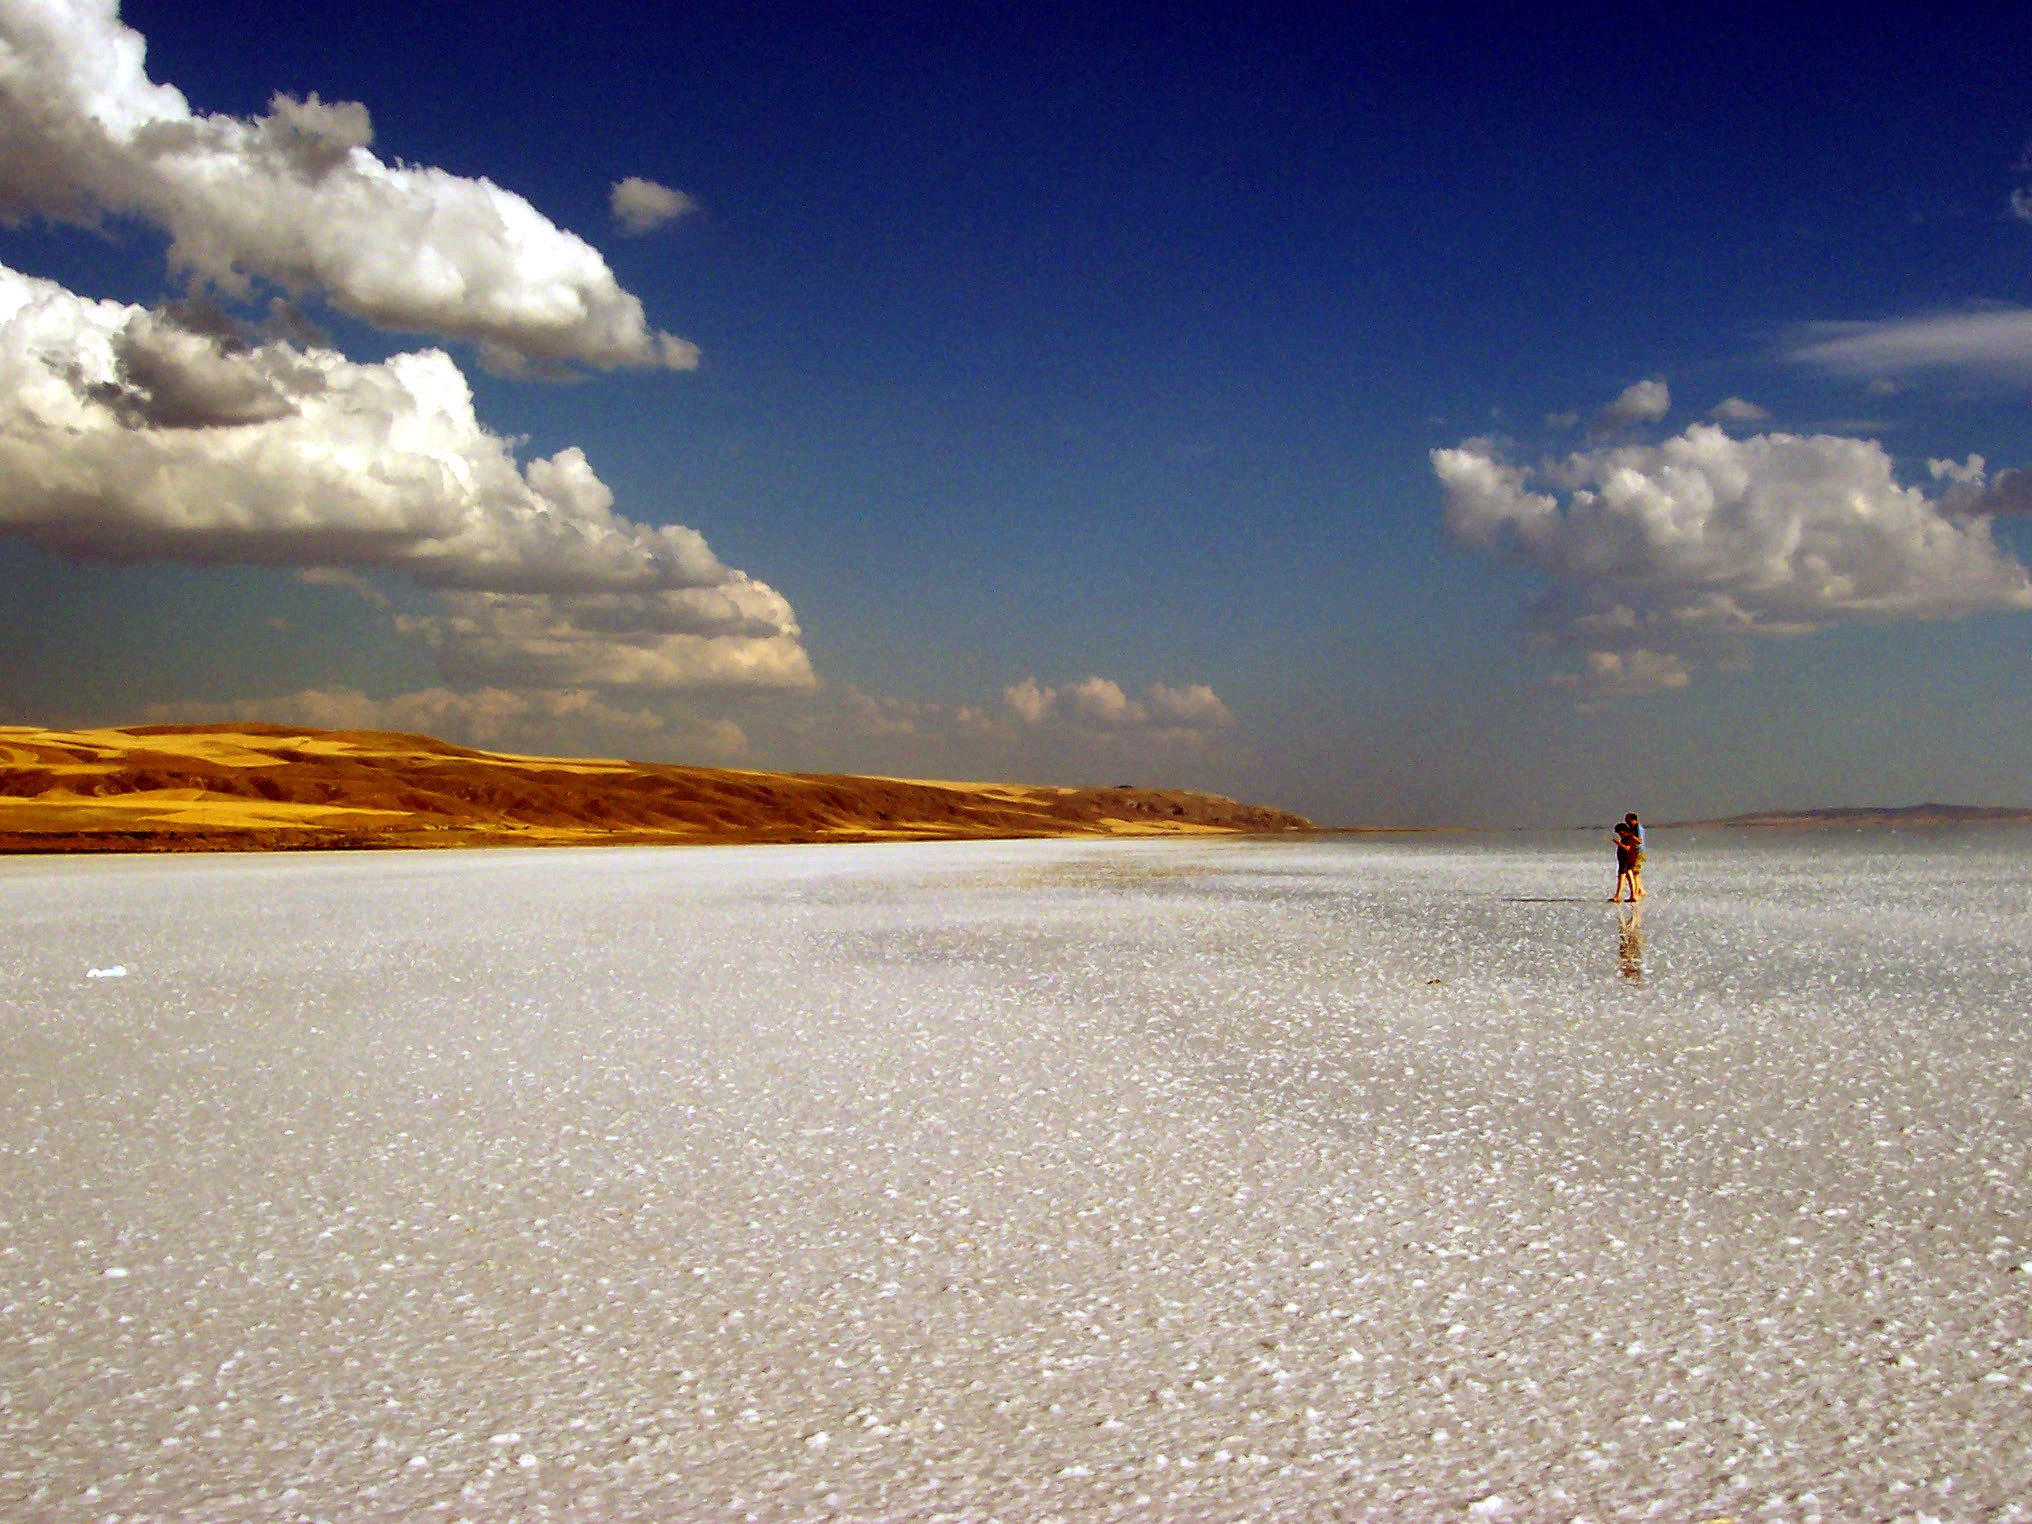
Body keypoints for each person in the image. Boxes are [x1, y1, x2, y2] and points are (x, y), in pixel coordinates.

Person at [1624, 812, 1647, 901]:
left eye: (1628, 820)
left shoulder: (1638, 829)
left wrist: (1631, 836)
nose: (1626, 822)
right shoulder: (1633, 828)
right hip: (1634, 852)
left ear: (1634, 820)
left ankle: (1636, 893)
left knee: (1634, 872)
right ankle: (1640, 890)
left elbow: (1639, 841)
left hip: (1638, 852)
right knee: (1633, 872)